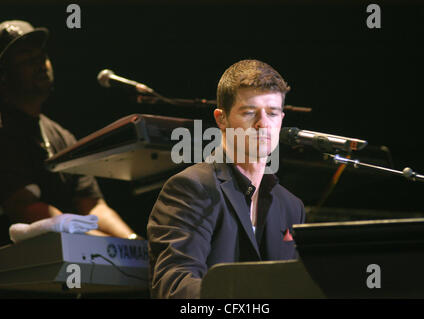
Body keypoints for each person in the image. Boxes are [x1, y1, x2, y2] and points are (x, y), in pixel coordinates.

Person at [147, 59, 306, 298]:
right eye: (250, 112)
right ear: (221, 119)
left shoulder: (292, 206)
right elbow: (175, 287)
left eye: (272, 113)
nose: (263, 124)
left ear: (282, 119)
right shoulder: (191, 188)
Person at [0, 20, 138, 245]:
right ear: (3, 74)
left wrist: (133, 242)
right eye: (26, 57)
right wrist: (111, 247)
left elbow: (92, 205)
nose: (40, 63)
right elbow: (24, 207)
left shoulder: (62, 136)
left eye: (41, 55)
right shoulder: (4, 131)